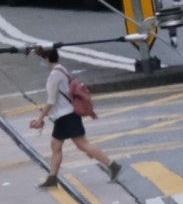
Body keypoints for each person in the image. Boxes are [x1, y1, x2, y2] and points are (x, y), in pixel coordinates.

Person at [26, 46, 119, 187]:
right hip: (68, 114)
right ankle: (52, 178)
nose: (41, 62)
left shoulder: (54, 76)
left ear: (46, 59)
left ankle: (112, 164)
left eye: (41, 59)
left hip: (65, 115)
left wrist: (40, 118)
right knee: (57, 145)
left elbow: (51, 100)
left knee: (82, 145)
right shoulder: (62, 69)